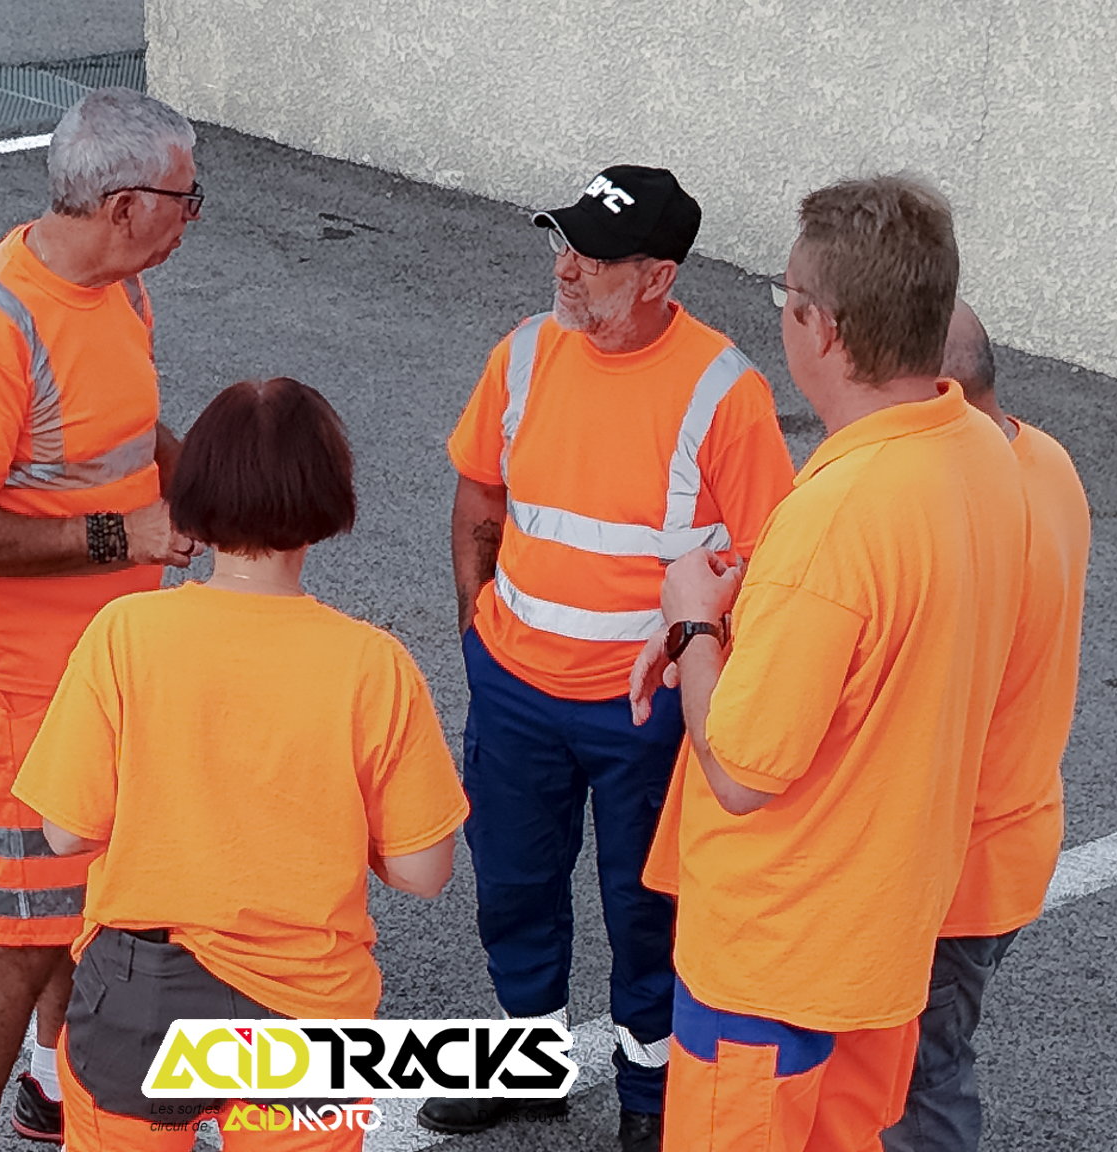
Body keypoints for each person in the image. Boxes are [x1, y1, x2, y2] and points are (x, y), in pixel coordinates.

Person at [628, 174, 1027, 1150]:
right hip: (880, 946)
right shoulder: (979, 453)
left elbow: (739, 771)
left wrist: (693, 626)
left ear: (824, 328)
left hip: (773, 961)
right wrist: (753, 599)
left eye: (785, 295)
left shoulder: (838, 516)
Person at [431, 164, 796, 1151]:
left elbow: (767, 558)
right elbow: (479, 493)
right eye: (563, 243)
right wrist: (475, 630)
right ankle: (526, 1068)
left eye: (593, 258)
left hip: (647, 712)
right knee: (513, 888)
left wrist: (700, 669)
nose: (565, 269)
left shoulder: (724, 391)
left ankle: (649, 1093)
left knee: (647, 907)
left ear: (657, 277)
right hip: (514, 690)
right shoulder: (522, 354)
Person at [13, 377, 471, 1151]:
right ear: (327, 501)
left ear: (196, 491)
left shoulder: (126, 633)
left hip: (141, 992)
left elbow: (66, 832)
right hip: (306, 1007)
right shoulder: (375, 666)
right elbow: (424, 871)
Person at [0, 86, 204, 1151]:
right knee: (27, 928)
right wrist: (123, 537)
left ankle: (50, 1085)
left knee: (89, 903)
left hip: (111, 661)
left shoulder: (120, 291)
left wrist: (211, 484)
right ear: (125, 206)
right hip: (24, 684)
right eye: (185, 198)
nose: (192, 217)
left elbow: (130, 427)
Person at [883, 301, 1091, 1152]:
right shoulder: (1046, 461)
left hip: (952, 866)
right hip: (1009, 842)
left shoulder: (966, 515)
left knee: (919, 1076)